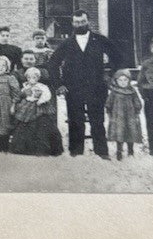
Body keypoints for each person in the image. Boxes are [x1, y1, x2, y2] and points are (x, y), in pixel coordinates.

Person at [47, 12, 116, 159]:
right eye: (77, 22)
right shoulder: (66, 43)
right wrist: (59, 84)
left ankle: (102, 152)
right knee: (75, 120)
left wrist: (110, 76)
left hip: (96, 87)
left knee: (97, 120)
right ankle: (76, 152)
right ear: (72, 24)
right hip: (73, 88)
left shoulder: (99, 39)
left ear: (88, 21)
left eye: (83, 21)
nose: (80, 25)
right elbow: (53, 63)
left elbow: (117, 56)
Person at [106, 69, 144, 161]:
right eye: (120, 80)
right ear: (116, 81)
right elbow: (108, 103)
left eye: (125, 80)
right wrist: (109, 111)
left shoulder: (132, 92)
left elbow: (137, 102)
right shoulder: (114, 92)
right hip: (118, 117)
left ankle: (130, 150)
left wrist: (137, 109)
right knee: (119, 133)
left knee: (130, 132)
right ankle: (119, 150)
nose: (123, 82)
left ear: (129, 81)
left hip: (130, 116)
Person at [10, 76, 54, 155]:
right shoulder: (25, 87)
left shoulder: (42, 86)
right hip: (27, 106)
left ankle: (39, 148)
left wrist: (40, 101)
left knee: (40, 125)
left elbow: (47, 95)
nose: (32, 79)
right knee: (24, 125)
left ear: (38, 78)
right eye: (29, 78)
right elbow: (20, 95)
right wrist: (16, 102)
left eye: (34, 77)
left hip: (38, 106)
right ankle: (24, 148)